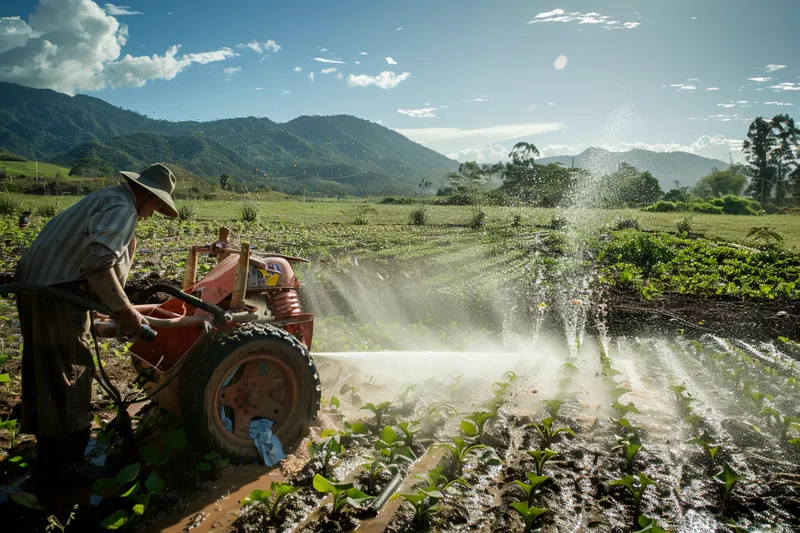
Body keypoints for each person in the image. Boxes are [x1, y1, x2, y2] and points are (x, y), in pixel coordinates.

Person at [14, 163, 179, 480]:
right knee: (71, 370)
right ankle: (67, 465)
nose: (149, 215)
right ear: (145, 194)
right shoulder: (123, 207)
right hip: (55, 293)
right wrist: (126, 311)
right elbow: (99, 266)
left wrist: (108, 308)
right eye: (155, 207)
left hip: (37, 286)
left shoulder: (107, 198)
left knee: (46, 367)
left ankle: (48, 453)